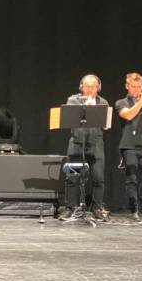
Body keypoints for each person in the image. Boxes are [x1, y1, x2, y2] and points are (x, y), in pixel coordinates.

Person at [59, 74, 109, 221]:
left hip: (96, 142)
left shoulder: (103, 102)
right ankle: (70, 208)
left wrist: (95, 109)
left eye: (93, 87)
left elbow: (106, 126)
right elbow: (67, 120)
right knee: (72, 176)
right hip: (77, 141)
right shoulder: (73, 100)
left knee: (98, 177)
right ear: (81, 87)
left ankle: (97, 208)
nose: (89, 90)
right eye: (86, 86)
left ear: (97, 88)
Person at [114, 72, 142, 220]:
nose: (137, 89)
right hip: (129, 145)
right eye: (133, 86)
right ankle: (134, 210)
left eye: (139, 87)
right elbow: (129, 115)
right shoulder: (121, 102)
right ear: (127, 86)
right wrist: (141, 102)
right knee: (132, 179)